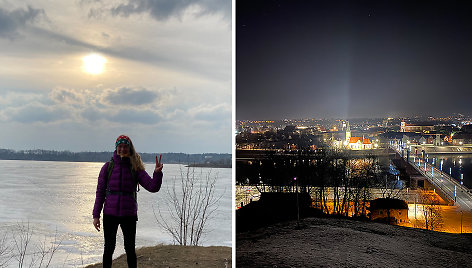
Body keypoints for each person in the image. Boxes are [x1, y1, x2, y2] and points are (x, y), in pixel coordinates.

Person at [93, 135, 163, 268]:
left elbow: (153, 187)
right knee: (108, 249)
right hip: (110, 214)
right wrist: (96, 216)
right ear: (116, 147)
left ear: (130, 149)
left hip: (129, 215)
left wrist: (157, 173)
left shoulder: (135, 168)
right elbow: (100, 193)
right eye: (120, 146)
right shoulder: (107, 167)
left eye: (125, 146)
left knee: (130, 249)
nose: (122, 149)